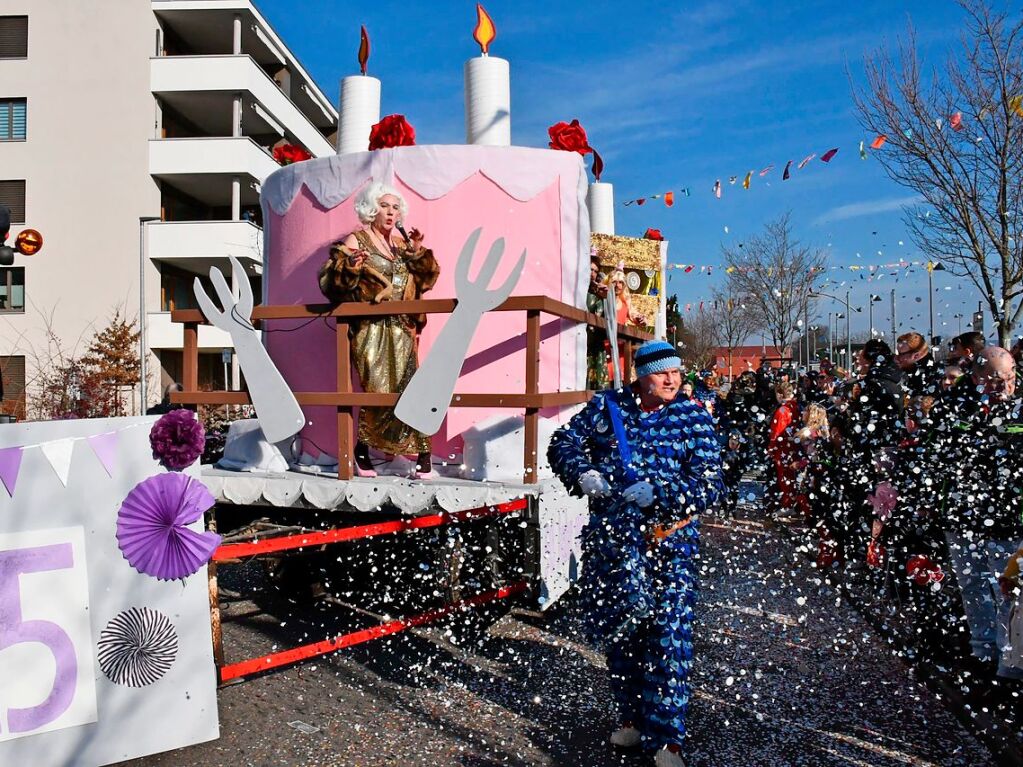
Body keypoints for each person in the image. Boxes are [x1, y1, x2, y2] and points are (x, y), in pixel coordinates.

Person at [547, 340, 721, 767]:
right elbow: (562, 443)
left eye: (676, 372)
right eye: (663, 373)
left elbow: (710, 484)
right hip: (614, 545)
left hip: (669, 546)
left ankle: (666, 740)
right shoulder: (608, 408)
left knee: (669, 639)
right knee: (623, 636)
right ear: (641, 375)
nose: (672, 380)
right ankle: (633, 719)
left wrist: (660, 493)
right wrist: (582, 472)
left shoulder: (693, 416)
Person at [318, 182, 440, 478]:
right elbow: (330, 282)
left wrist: (417, 252)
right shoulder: (356, 239)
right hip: (370, 328)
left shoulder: (401, 245)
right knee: (377, 389)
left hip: (402, 328)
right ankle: (362, 450)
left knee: (411, 387)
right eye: (385, 205)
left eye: (396, 207)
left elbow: (427, 279)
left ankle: (423, 452)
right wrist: (350, 265)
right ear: (371, 209)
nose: (391, 212)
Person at [925, 346, 1023, 677]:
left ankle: (1008, 663)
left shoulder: (1019, 412)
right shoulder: (958, 408)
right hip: (964, 514)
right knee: (973, 586)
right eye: (994, 380)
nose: (1003, 387)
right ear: (978, 378)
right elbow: (939, 454)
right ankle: (982, 652)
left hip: (1007, 519)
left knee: (1007, 590)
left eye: (1008, 379)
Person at [767, 380, 800, 516]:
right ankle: (792, 502)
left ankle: (788, 504)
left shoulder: (782, 411)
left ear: (780, 394)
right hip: (794, 446)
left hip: (783, 448)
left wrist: (771, 447)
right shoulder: (796, 407)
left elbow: (777, 432)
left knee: (785, 477)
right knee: (791, 476)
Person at [586, 255, 610, 390]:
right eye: (590, 269)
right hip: (577, 343)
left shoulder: (598, 296)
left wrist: (605, 298)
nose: (592, 274)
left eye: (595, 271)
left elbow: (608, 322)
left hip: (594, 346)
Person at [895, 331, 940, 398]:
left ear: (916, 355)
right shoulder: (909, 369)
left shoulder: (929, 378)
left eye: (901, 354)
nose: (896, 358)